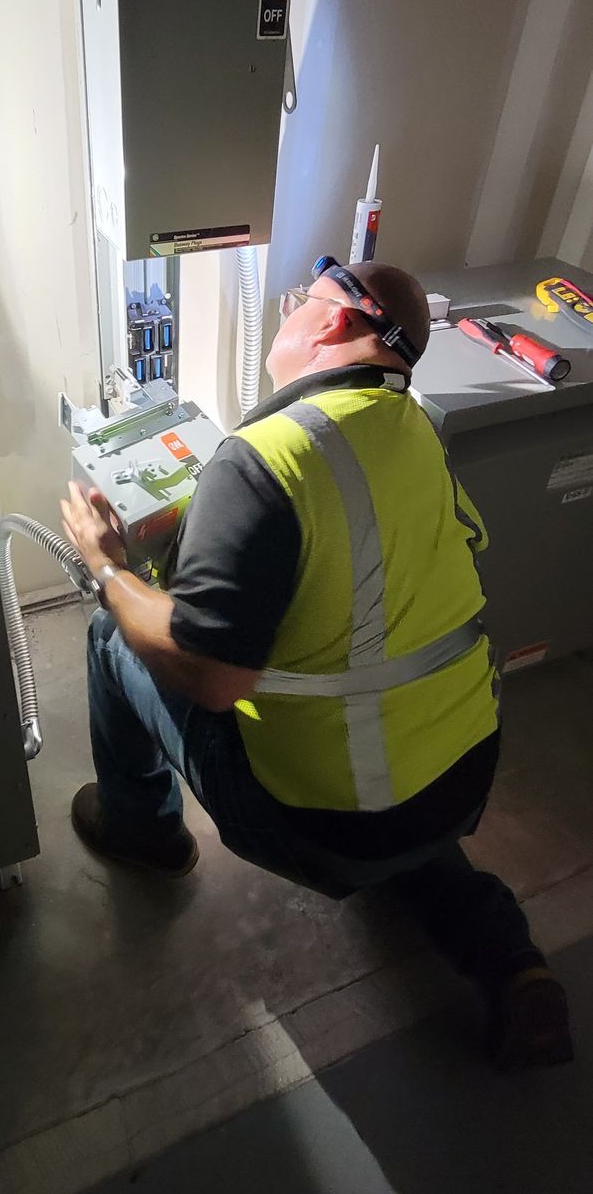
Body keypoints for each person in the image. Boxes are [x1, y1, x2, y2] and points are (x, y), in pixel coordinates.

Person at [61, 258, 572, 1068]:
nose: (291, 309)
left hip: (315, 824)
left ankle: (144, 832)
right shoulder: (414, 430)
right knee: (408, 821)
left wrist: (107, 568)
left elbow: (212, 678)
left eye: (304, 300)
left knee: (110, 634)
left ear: (335, 321)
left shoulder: (265, 458)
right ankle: (514, 964)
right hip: (461, 774)